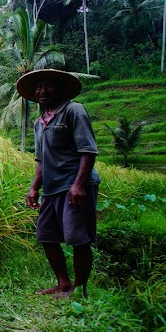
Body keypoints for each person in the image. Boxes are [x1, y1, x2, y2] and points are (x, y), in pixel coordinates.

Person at [17, 69, 101, 299]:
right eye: (38, 87)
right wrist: (34, 187)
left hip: (74, 185)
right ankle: (63, 283)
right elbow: (41, 158)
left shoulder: (74, 111)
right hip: (52, 188)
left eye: (48, 86)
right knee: (46, 235)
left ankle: (79, 288)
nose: (42, 91)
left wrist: (79, 185)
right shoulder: (39, 122)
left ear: (60, 89)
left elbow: (88, 150)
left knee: (78, 238)